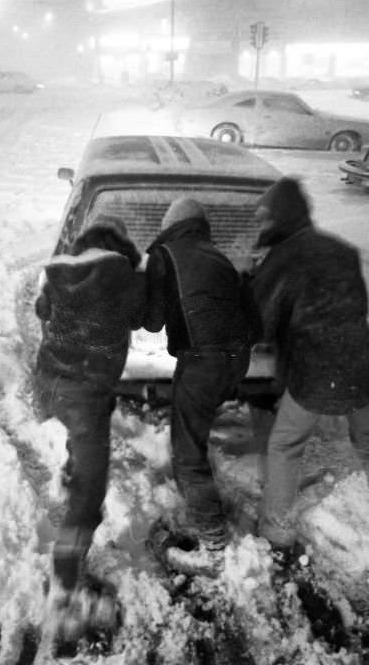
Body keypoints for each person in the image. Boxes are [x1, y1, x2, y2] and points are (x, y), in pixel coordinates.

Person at [248, 177, 369, 564]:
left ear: (280, 216)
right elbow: (356, 304)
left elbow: (260, 320)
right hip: (361, 364)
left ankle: (277, 530)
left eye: (265, 217)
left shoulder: (282, 258)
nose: (261, 226)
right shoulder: (341, 249)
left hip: (314, 372)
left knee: (285, 445)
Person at [32, 215, 145, 640]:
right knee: (89, 494)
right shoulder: (123, 276)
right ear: (120, 244)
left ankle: (71, 472)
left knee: (81, 452)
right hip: (87, 393)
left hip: (51, 383)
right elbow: (146, 320)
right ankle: (64, 587)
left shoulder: (59, 271)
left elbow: (42, 309)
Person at [143, 197, 259, 576]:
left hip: (203, 361)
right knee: (191, 420)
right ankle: (206, 502)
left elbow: (153, 321)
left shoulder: (165, 255)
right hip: (234, 361)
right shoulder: (218, 256)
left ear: (170, 224)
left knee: (187, 454)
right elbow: (252, 320)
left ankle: (214, 545)